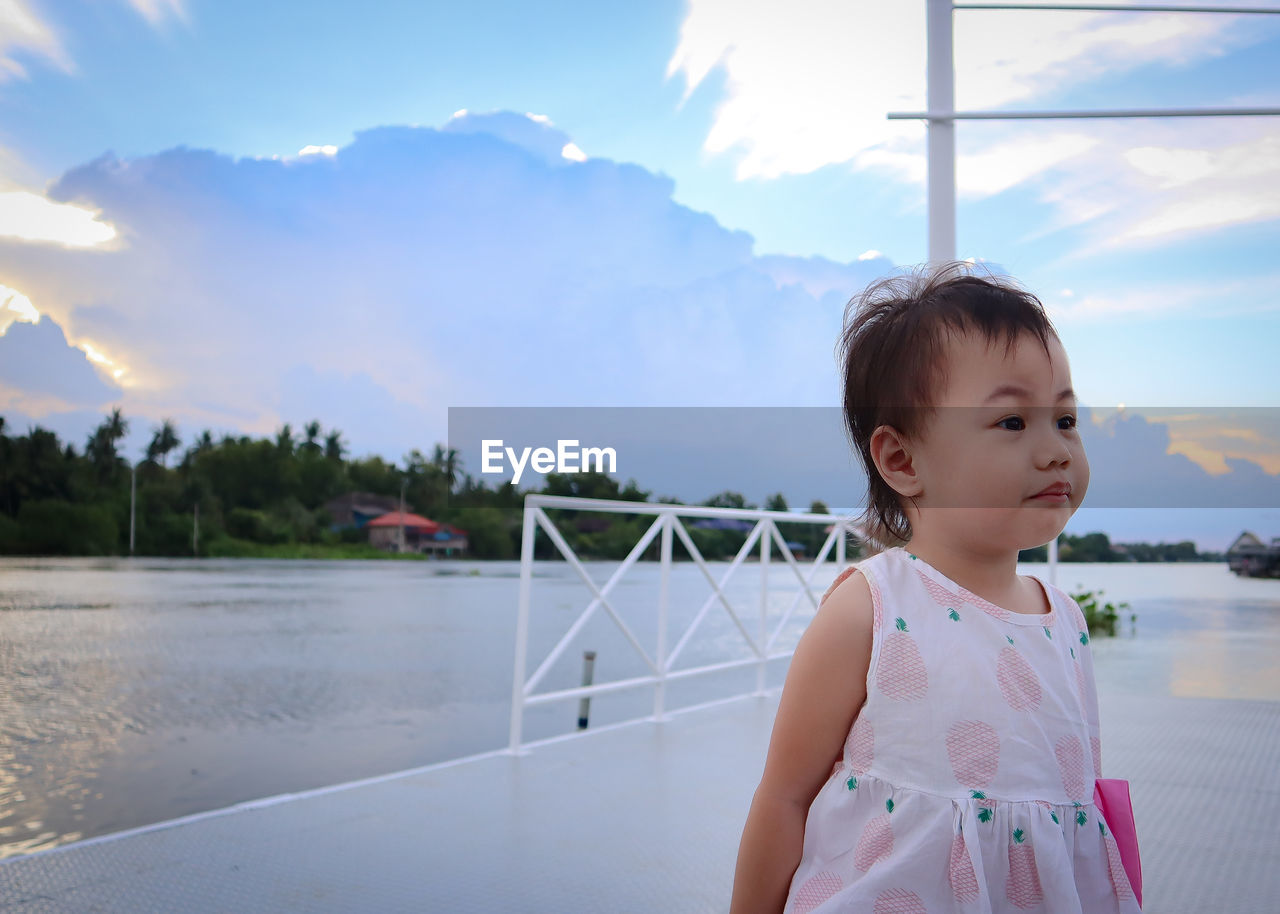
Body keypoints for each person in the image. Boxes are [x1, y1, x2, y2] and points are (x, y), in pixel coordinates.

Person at [729, 262, 1140, 913]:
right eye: (1012, 423)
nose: (1058, 450)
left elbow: (1073, 809)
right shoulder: (873, 607)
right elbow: (784, 797)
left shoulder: (1064, 620)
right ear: (902, 460)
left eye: (1065, 420)